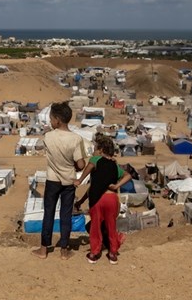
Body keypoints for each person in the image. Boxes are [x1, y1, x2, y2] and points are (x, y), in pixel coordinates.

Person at [32, 102, 86, 260]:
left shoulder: (48, 136)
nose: (49, 121)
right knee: (65, 215)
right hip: (69, 182)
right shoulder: (76, 139)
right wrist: (75, 166)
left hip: (52, 181)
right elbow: (81, 164)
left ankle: (43, 250)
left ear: (57, 120)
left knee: (48, 214)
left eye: (51, 118)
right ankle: (64, 251)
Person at [74, 135, 131, 265]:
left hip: (98, 199)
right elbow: (128, 175)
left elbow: (86, 172)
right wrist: (116, 186)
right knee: (111, 226)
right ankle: (113, 254)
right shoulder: (114, 165)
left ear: (100, 149)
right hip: (111, 198)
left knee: (95, 226)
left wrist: (79, 180)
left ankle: (94, 253)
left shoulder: (95, 159)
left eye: (94, 148)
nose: (93, 151)